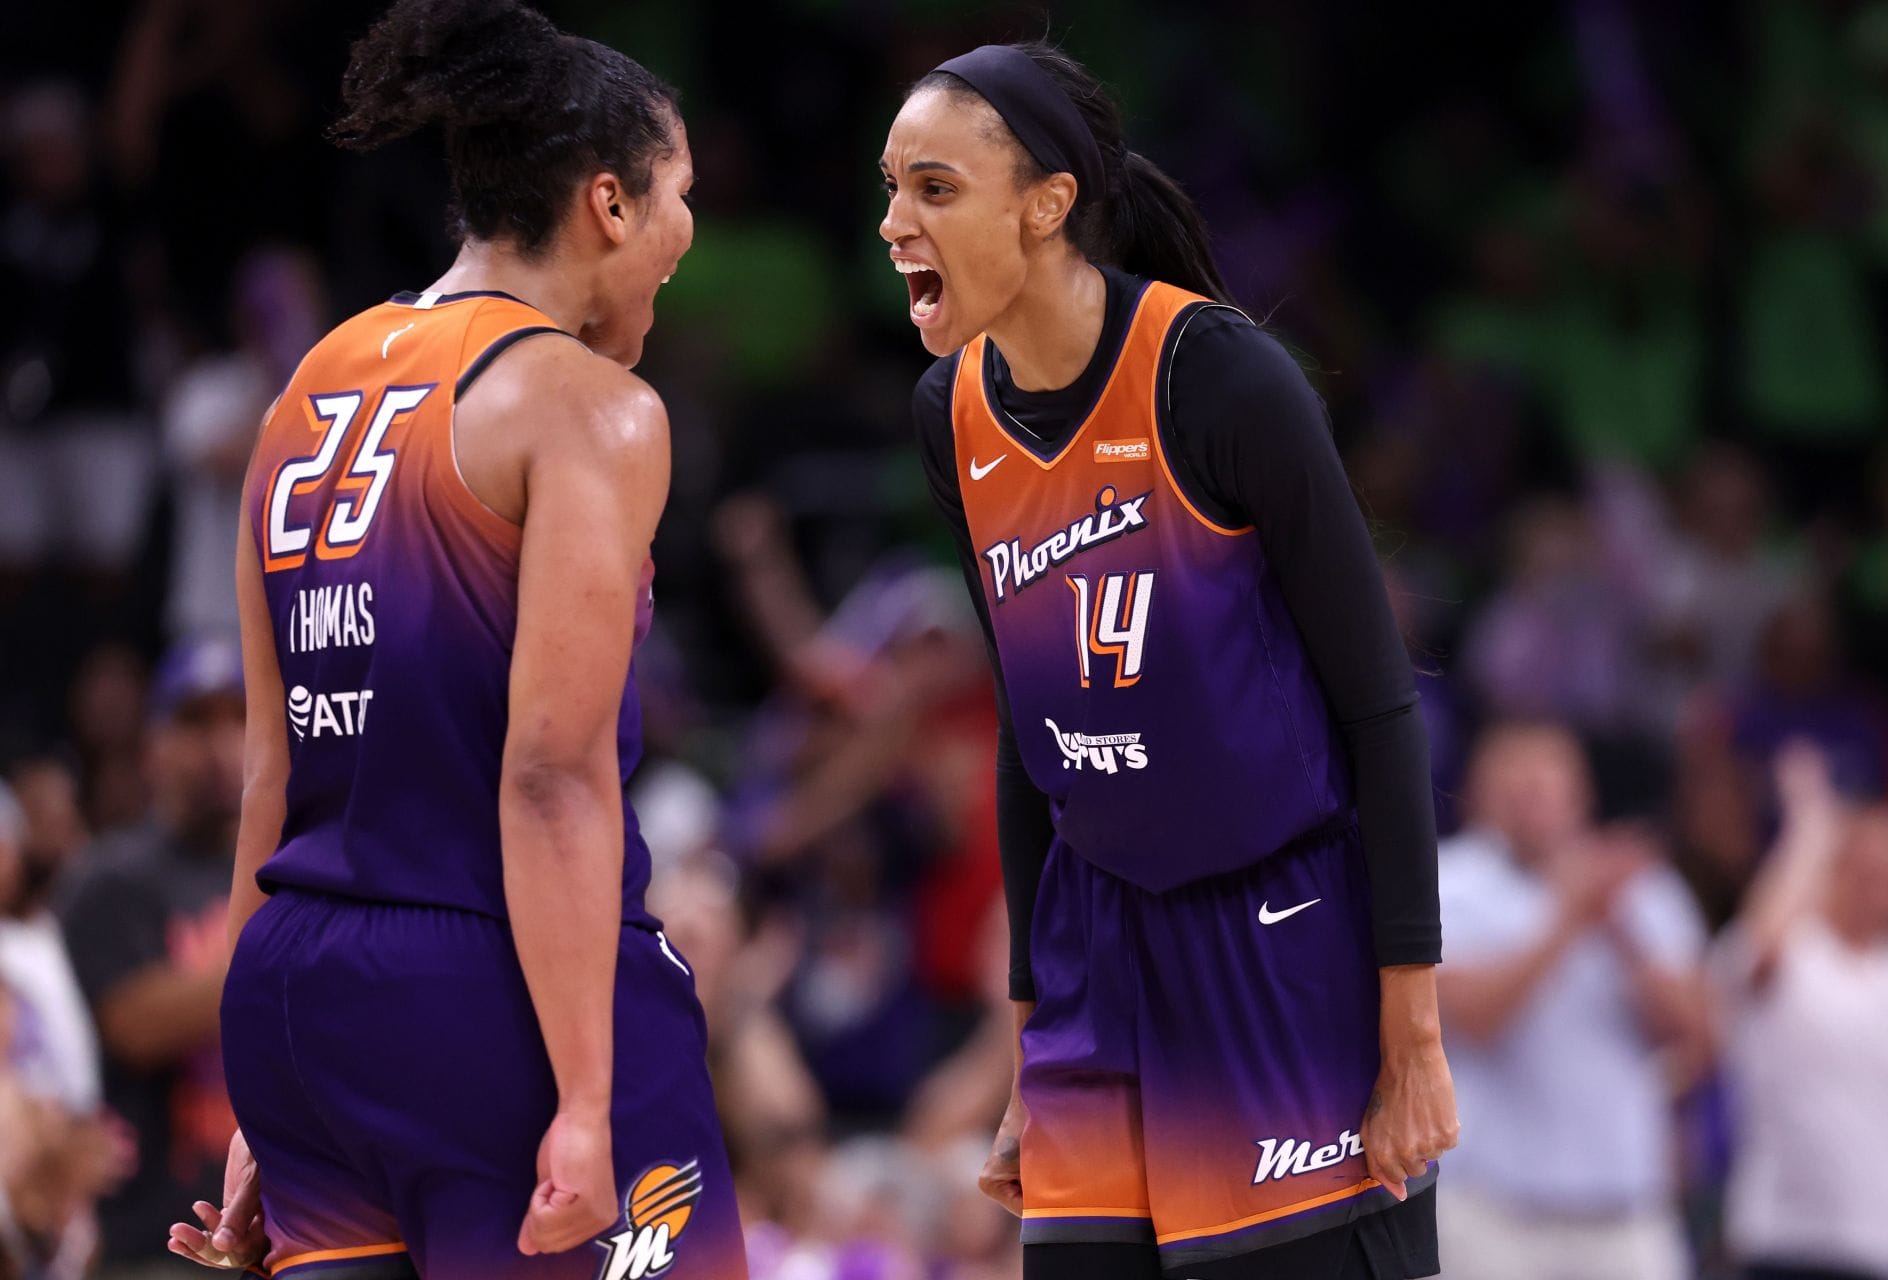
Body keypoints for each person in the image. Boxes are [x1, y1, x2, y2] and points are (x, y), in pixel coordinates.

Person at [164, 1, 746, 1276]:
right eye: (679, 195)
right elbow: (547, 773)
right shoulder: (586, 406)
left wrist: (258, 1098)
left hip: (295, 1000)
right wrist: (589, 1100)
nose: (684, 234)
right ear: (608, 203)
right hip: (492, 984)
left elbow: (270, 771)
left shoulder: (307, 389)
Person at [882, 42, 1457, 1280]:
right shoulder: (953, 413)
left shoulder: (1219, 377)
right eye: (891, 188)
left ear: (1046, 204)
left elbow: (1379, 700)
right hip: (1098, 956)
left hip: (1280, 933)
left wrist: (1411, 1027)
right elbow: (1028, 746)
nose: (893, 223)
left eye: (934, 189)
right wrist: (1028, 1044)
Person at [1435, 723, 1711, 1280]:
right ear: (1480, 797)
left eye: (1545, 789)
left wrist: (1621, 930)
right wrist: (1567, 918)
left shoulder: (1643, 888)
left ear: (1581, 795)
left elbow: (1698, 1038)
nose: (1531, 807)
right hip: (1492, 1212)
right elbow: (1476, 1020)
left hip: (1626, 1212)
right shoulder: (1447, 881)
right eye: (1514, 791)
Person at [58, 636, 246, 1279]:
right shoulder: (110, 877)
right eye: (195, 723)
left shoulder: (280, 866)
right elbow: (136, 1026)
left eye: (238, 720)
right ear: (153, 746)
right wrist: (290, 955)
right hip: (154, 1242)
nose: (220, 746)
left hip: (276, 1236)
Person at [1714, 744, 1888, 1280]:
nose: (1873, 885)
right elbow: (1756, 951)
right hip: (1782, 1236)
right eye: (1858, 867)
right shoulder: (1794, 956)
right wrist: (1811, 824)